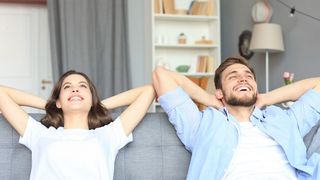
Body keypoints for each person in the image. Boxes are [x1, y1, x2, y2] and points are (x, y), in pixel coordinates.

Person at [152, 56, 320, 180]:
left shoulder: (282, 120)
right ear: (219, 92)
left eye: (248, 76)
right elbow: (161, 75)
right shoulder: (202, 125)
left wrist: (266, 98)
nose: (243, 78)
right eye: (233, 76)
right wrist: (211, 99)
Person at [0, 70, 155, 180]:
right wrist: (50, 105)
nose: (75, 89)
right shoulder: (40, 134)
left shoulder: (108, 135)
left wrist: (97, 105)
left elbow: (147, 92)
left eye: (82, 86)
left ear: (92, 98)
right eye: (67, 87)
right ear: (59, 100)